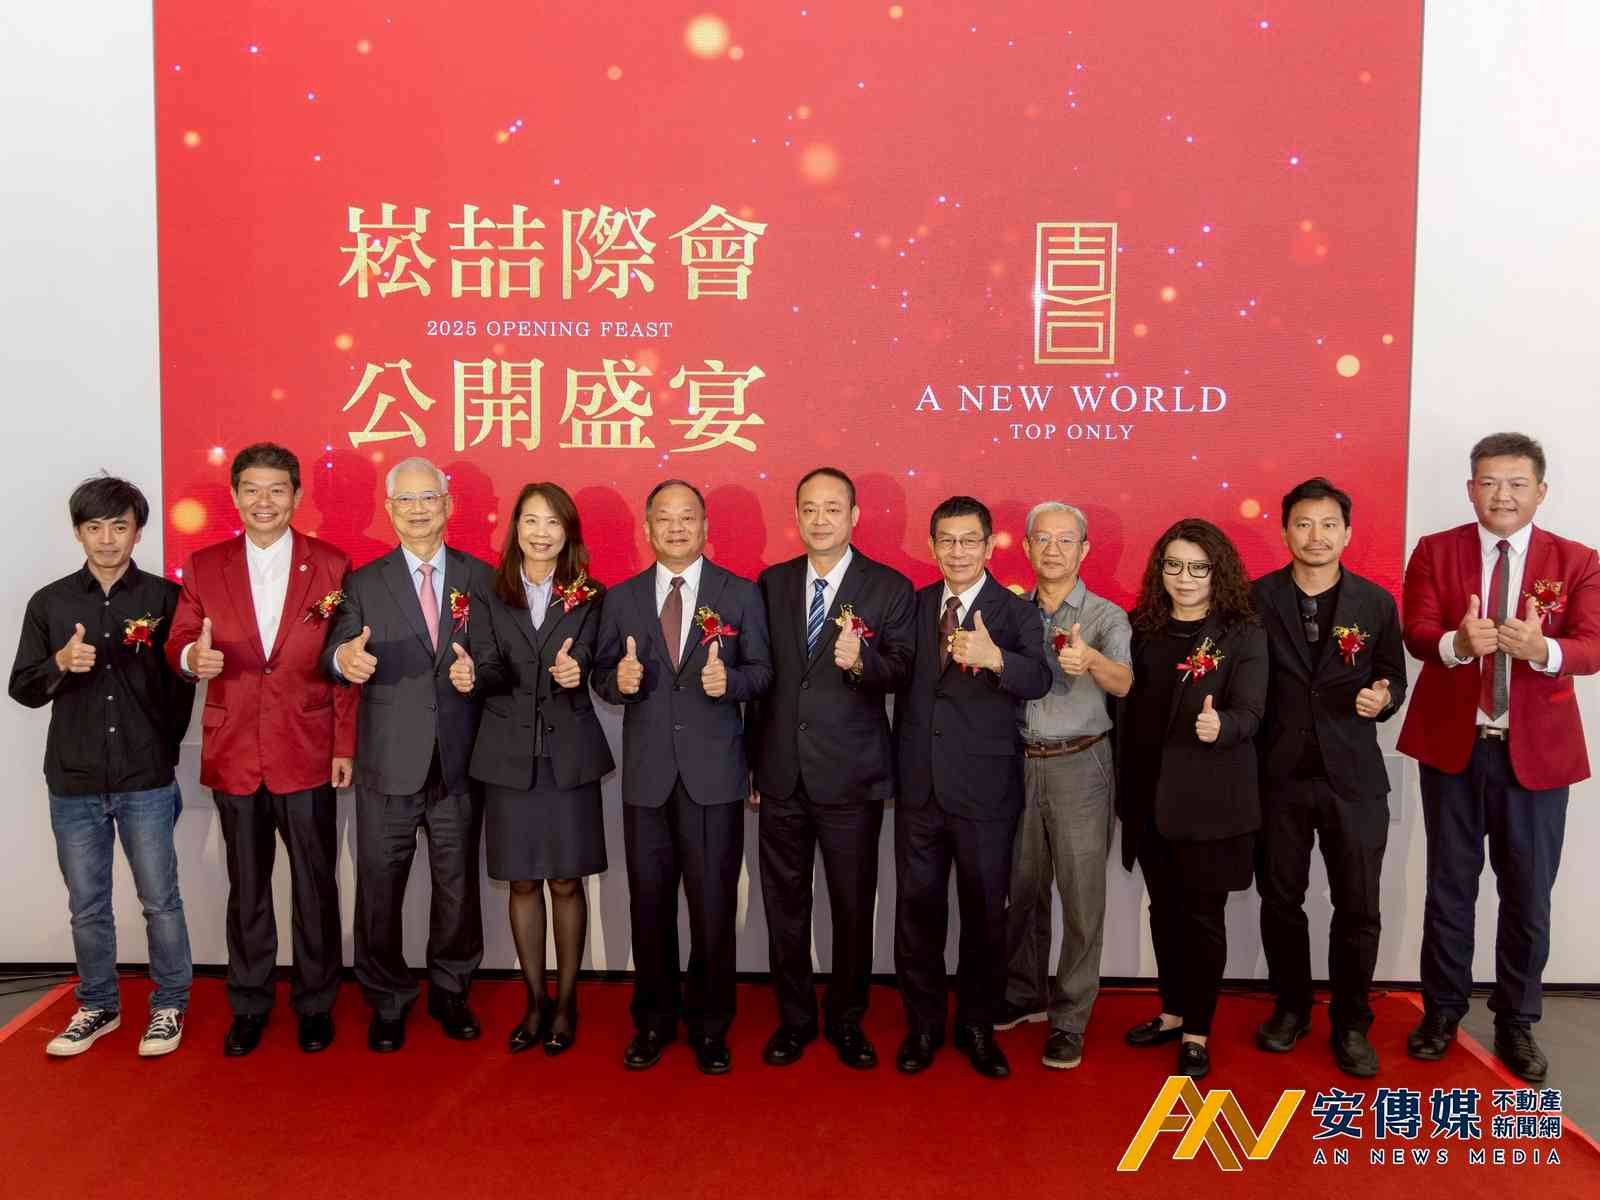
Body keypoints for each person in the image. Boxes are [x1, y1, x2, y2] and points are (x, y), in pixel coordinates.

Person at [1397, 432, 1600, 1083]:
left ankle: (1516, 1020)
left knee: (1527, 895)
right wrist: (1457, 644)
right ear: (1470, 489)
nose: (1502, 495)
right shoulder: (1435, 551)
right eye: (1489, 482)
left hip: (1537, 756)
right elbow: (1416, 631)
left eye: (1516, 483)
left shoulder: (1577, 560)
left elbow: (1593, 645)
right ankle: (1441, 1013)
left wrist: (1544, 651)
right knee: (1449, 889)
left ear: (1540, 491)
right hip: (1454, 749)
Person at [166, 443, 357, 1056]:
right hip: (236, 752)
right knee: (246, 887)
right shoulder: (204, 566)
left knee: (315, 885)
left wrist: (344, 743)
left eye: (277, 489)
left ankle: (316, 1002)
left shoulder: (331, 565)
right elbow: (178, 640)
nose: (264, 501)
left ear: (297, 496)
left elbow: (345, 661)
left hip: (308, 746)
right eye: (252, 489)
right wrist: (192, 657)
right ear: (235, 496)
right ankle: (249, 1003)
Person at [9, 476, 196, 1057]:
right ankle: (97, 1005)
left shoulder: (166, 599)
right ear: (78, 533)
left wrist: (160, 751)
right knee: (87, 906)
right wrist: (60, 664)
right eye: (95, 527)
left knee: (160, 900)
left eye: (120, 526)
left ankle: (169, 1005)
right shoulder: (50, 602)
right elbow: (23, 689)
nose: (107, 539)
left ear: (138, 532)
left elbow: (182, 689)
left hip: (145, 779)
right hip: (74, 780)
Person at [591, 480, 773, 1074]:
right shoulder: (621, 599)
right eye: (664, 518)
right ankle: (653, 1020)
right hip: (647, 778)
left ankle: (711, 1025)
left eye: (687, 517)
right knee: (649, 905)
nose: (676, 527)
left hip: (713, 777)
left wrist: (732, 683)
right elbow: (601, 674)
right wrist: (618, 682)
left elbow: (763, 672)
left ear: (705, 526)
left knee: (712, 906)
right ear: (647, 528)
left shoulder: (739, 594)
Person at [746, 467, 915, 1070]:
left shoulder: (889, 586)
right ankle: (794, 1020)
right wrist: (753, 761)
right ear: (796, 516)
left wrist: (863, 662)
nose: (820, 520)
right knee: (784, 906)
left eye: (833, 509)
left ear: (854, 516)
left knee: (851, 906)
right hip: (781, 775)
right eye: (810, 509)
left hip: (851, 778)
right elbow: (761, 681)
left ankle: (847, 1019)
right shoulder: (771, 583)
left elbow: (903, 669)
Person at [322, 457, 493, 1052]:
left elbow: (501, 658)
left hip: (459, 762)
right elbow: (333, 650)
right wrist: (344, 660)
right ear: (389, 510)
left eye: (429, 498)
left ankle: (452, 989)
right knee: (379, 888)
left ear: (448, 505)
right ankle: (387, 999)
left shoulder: (481, 577)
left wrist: (480, 674)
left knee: (457, 887)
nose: (418, 509)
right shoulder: (364, 582)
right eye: (406, 500)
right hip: (388, 762)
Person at [893, 496, 1053, 1079]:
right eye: (947, 540)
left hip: (986, 791)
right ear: (932, 546)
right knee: (917, 913)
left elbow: (1040, 678)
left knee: (985, 915)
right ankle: (923, 1025)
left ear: (989, 547)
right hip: (918, 787)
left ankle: (977, 1025)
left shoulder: (1014, 612)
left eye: (969, 541)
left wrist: (995, 658)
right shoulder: (913, 606)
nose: (957, 551)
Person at [1251, 478, 1406, 1077]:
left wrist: (1383, 698)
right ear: (1285, 531)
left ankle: (1351, 1021)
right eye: (1303, 524)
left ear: (1347, 533)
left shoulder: (1375, 603)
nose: (1316, 536)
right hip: (1278, 775)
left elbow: (1393, 675)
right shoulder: (1257, 598)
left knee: (1358, 905)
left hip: (1354, 777)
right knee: (1280, 899)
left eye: (1328, 525)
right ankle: (1290, 1007)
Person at [458, 482, 613, 1056]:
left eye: (553, 522)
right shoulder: (488, 591)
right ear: (515, 528)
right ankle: (534, 1000)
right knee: (522, 881)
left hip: (568, 756)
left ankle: (567, 1004)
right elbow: (491, 665)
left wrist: (579, 672)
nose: (541, 533)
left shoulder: (591, 595)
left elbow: (596, 663)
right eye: (531, 521)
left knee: (567, 882)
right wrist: (472, 677)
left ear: (568, 532)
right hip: (507, 756)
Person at [1117, 518, 1266, 1080]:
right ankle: (1173, 1011)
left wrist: (1222, 726)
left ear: (1217, 572)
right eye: (1174, 565)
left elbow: (1253, 712)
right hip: (1149, 798)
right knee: (1164, 911)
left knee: (1202, 918)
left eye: (1198, 568)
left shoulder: (1242, 632)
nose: (1185, 578)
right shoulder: (1140, 627)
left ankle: (1198, 1031)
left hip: (1210, 801)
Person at [997, 501, 1131, 1071]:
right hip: (1015, 764)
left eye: (1065, 540)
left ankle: (1071, 1018)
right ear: (1027, 547)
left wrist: (1091, 659)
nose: (1053, 549)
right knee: (1021, 888)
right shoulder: (1008, 611)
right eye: (1042, 539)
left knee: (1081, 898)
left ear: (1085, 549)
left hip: (1081, 764)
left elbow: (1123, 683)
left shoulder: (1105, 615)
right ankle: (1024, 994)